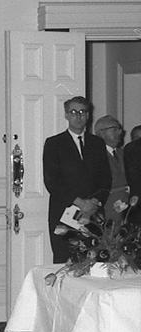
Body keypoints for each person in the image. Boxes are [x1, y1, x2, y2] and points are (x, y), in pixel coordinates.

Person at [42, 96, 111, 263]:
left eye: (82, 112)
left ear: (88, 115)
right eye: (73, 112)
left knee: (94, 261)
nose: (78, 116)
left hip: (93, 213)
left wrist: (94, 202)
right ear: (66, 115)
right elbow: (52, 181)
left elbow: (106, 178)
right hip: (64, 211)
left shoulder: (97, 143)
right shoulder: (54, 144)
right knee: (65, 261)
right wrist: (79, 202)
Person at [94, 115, 129, 224]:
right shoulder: (95, 155)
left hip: (127, 208)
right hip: (107, 208)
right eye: (114, 129)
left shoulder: (124, 153)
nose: (119, 133)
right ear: (101, 132)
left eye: (119, 129)